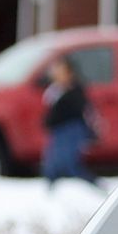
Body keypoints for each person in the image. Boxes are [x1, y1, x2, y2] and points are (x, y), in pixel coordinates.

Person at [37, 55, 99, 188]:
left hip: (71, 130)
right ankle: (52, 192)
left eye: (60, 71)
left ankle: (93, 186)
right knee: (53, 165)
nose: (56, 74)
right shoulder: (54, 90)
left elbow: (82, 111)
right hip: (58, 131)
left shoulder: (74, 91)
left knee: (68, 164)